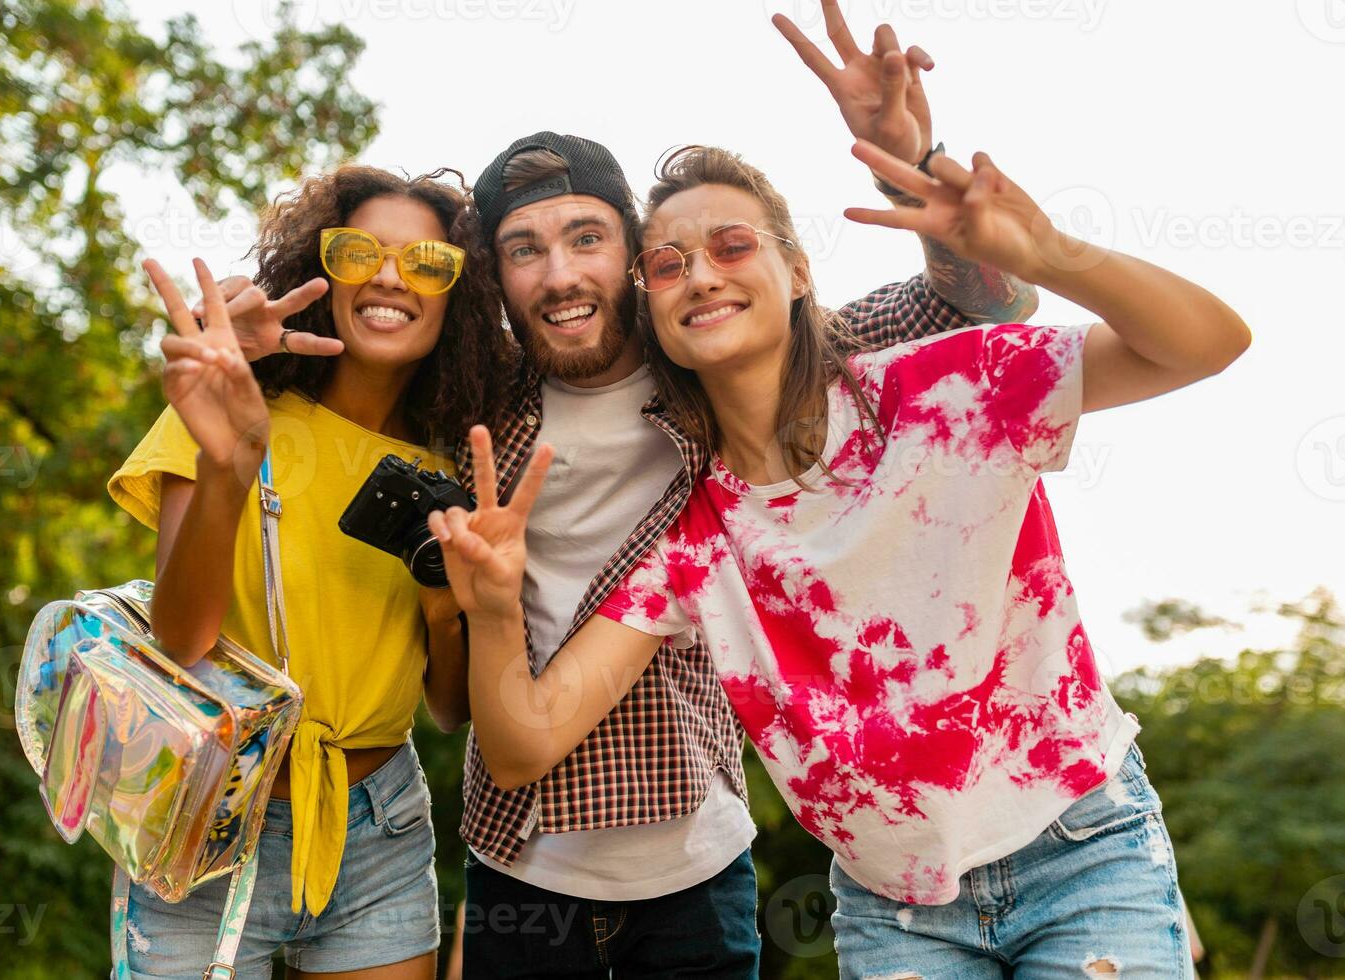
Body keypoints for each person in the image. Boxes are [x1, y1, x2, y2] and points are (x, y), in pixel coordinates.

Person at [213, 13, 1033, 974]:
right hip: (522, 861)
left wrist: (909, 165)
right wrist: (227, 333)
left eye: (586, 238)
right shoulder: (477, 404)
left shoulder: (726, 362)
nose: (560, 274)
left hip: (698, 860)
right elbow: (345, 351)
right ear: (496, 279)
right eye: (523, 250)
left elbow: (988, 302)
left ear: (635, 249)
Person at [428, 122, 1249, 975]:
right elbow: (524, 742)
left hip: (1077, 846)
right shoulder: (694, 537)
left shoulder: (947, 388)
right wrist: (490, 611)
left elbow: (1207, 343)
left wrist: (1046, 251)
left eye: (731, 244)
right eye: (669, 266)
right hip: (892, 905)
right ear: (655, 308)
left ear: (798, 271)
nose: (700, 273)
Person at [107, 165, 512, 979]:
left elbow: (447, 710)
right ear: (321, 275)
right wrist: (232, 467)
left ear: (456, 298)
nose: (391, 277)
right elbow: (183, 641)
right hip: (209, 819)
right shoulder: (227, 404)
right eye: (359, 252)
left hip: (382, 830)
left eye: (427, 263)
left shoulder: (453, 464)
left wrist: (444, 607)